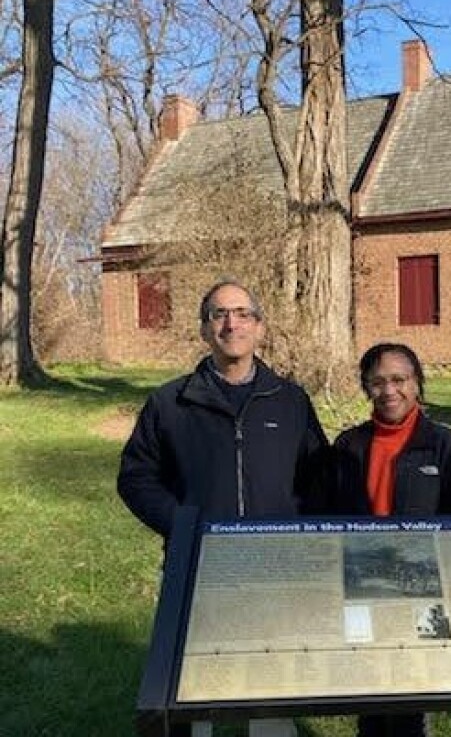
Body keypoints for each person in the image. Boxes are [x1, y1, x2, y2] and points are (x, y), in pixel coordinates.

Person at [118, 279, 328, 737]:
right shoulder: (170, 403)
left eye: (241, 313)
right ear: (203, 330)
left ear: (259, 327)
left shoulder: (290, 401)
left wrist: (295, 533)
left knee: (270, 692)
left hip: (275, 566)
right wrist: (181, 525)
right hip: (197, 565)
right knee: (193, 690)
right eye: (218, 314)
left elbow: (318, 479)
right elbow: (136, 476)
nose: (231, 323)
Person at [308, 342, 451, 737]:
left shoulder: (445, 445)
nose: (389, 391)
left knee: (412, 700)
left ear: (417, 384)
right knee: (369, 695)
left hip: (422, 589)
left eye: (399, 380)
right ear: (366, 388)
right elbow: (330, 515)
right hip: (363, 586)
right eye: (377, 382)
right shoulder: (349, 445)